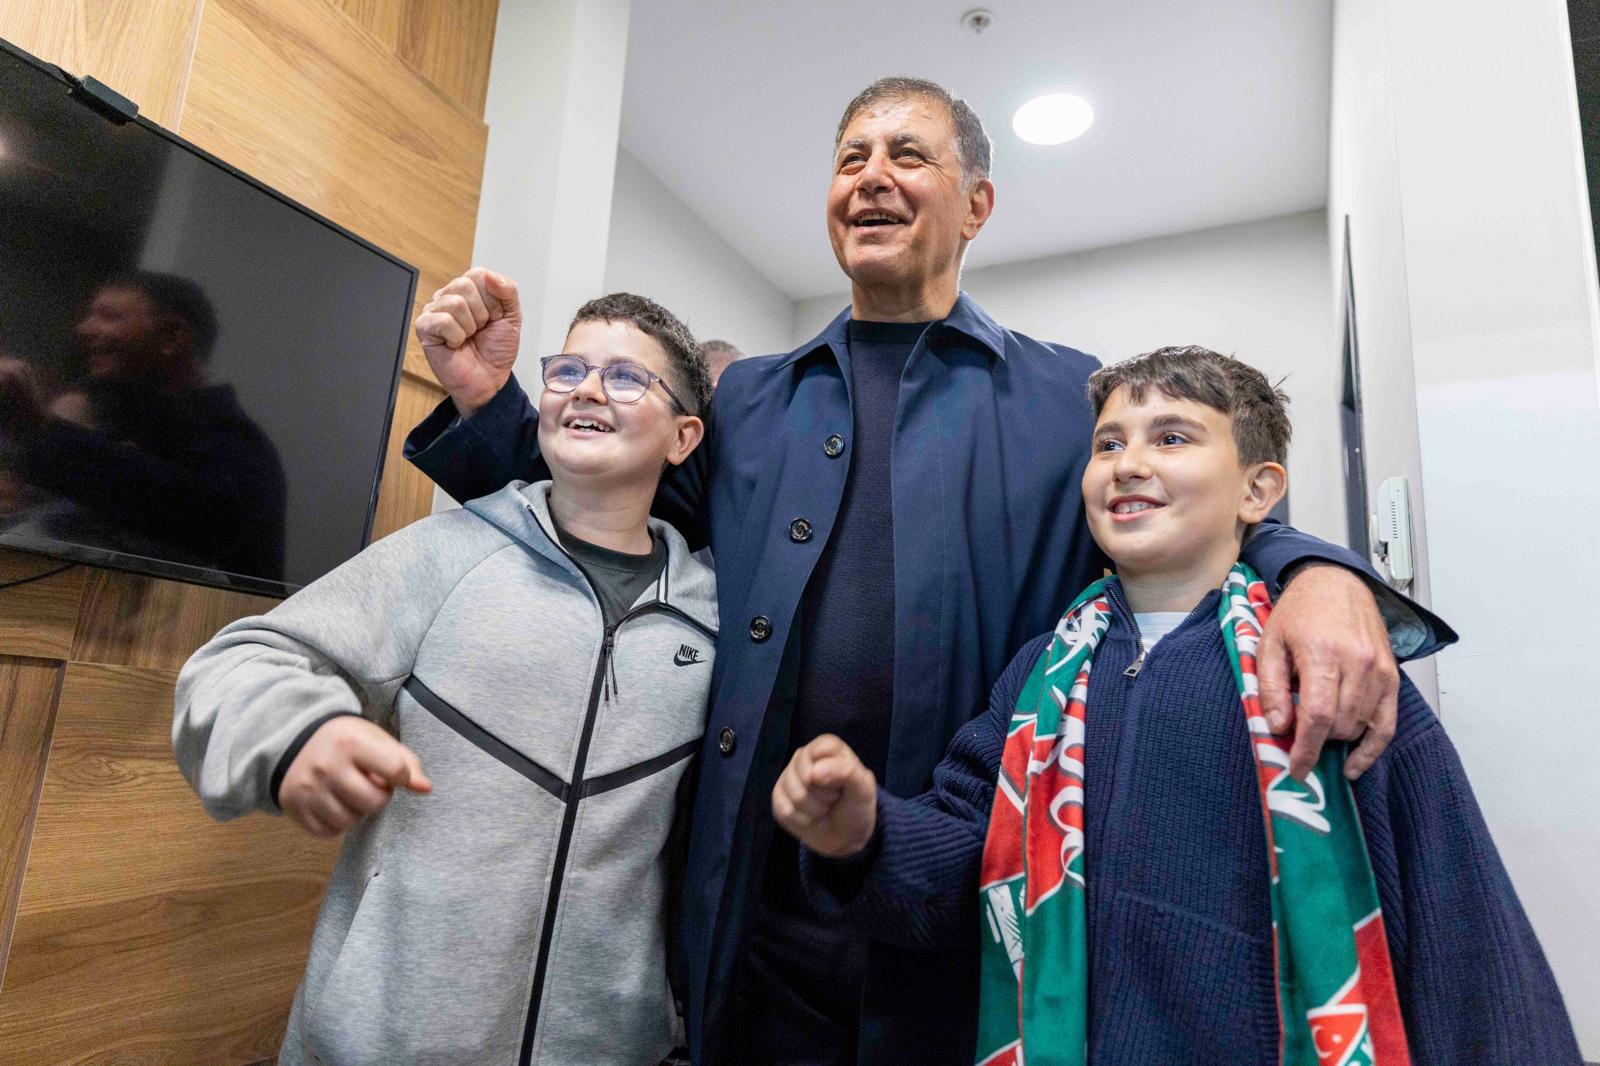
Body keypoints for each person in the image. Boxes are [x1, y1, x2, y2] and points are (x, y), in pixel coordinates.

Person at [403, 78, 1452, 1064]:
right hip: (755, 908)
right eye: (849, 158)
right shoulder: (750, 400)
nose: (872, 176)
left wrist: (1322, 576)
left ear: (977, 205)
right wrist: (492, 407)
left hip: (977, 898)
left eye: (908, 155)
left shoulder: (1065, 400)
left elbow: (1195, 523)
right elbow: (608, 518)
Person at [773, 346, 1580, 1065]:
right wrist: (864, 834)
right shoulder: (1039, 670)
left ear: (1258, 489)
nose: (1127, 464)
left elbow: (1463, 940)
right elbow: (969, 866)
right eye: (1108, 444)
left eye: (1171, 437)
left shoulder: (1328, 665)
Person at [174, 294, 717, 1065]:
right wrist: (299, 732)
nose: (588, 390)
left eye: (626, 377)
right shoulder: (449, 554)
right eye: (568, 370)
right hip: (385, 1041)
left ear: (683, 436)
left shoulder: (715, 621)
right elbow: (239, 662)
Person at [0, 271, 286, 579]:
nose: (83, 329)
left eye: (108, 316)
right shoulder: (119, 419)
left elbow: (208, 522)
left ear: (171, 337)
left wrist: (43, 430)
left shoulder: (237, 441)